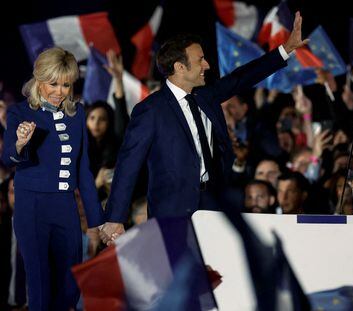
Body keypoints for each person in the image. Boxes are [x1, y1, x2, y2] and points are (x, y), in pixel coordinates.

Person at [100, 12, 309, 242]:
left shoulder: (206, 96)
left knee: (217, 271)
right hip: (172, 211)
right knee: (182, 274)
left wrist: (286, 49)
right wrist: (115, 217)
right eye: (200, 59)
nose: (207, 65)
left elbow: (243, 77)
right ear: (180, 67)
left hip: (213, 203)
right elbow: (128, 164)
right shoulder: (150, 110)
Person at [1, 47, 104, 310]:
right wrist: (21, 143)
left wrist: (97, 221)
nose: (60, 92)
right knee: (40, 284)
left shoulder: (77, 113)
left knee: (70, 284)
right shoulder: (19, 113)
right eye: (53, 84)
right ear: (38, 79)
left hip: (65, 206)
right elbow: (8, 157)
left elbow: (83, 169)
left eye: (66, 85)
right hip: (31, 206)